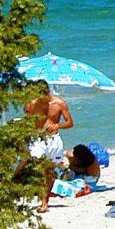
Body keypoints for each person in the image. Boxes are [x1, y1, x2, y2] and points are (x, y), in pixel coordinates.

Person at [23, 80, 74, 212]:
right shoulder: (31, 104)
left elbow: (70, 123)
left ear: (48, 91)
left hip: (54, 140)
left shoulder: (59, 103)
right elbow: (26, 122)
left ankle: (45, 201)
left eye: (43, 93)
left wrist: (58, 125)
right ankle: (43, 201)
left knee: (50, 171)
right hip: (37, 139)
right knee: (38, 167)